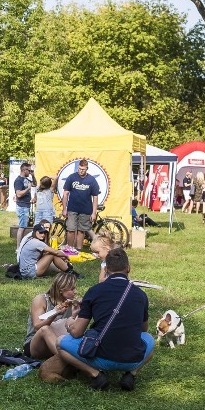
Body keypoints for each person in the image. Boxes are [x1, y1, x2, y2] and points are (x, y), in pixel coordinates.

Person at [55, 248, 155, 391]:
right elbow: (143, 330)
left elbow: (77, 332)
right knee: (149, 339)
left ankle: (96, 375)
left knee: (60, 342)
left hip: (100, 357)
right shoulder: (141, 295)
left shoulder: (94, 291)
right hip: (132, 358)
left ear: (106, 269)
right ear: (128, 268)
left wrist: (70, 322)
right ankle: (131, 374)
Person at [23, 273, 78, 360]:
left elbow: (74, 330)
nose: (75, 292)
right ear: (61, 290)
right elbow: (37, 327)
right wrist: (54, 314)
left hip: (59, 340)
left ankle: (71, 358)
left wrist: (76, 313)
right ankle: (69, 360)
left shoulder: (72, 304)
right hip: (35, 344)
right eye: (72, 289)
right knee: (45, 329)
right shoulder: (41, 300)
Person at [62, 159, 100, 249]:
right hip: (72, 208)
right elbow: (65, 193)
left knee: (81, 230)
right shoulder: (71, 177)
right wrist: (64, 208)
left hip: (86, 209)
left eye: (83, 169)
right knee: (71, 230)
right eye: (79, 169)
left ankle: (79, 249)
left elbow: (95, 197)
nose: (80, 171)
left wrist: (94, 212)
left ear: (87, 169)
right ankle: (69, 249)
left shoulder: (91, 180)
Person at [13, 162, 33, 246]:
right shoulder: (18, 181)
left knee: (24, 226)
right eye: (29, 170)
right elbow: (18, 194)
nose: (30, 172)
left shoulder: (27, 179)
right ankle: (18, 247)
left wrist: (33, 175)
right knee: (22, 227)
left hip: (26, 205)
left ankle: (21, 245)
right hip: (22, 206)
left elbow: (34, 184)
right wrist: (28, 189)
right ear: (24, 170)